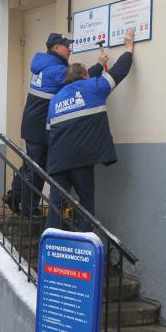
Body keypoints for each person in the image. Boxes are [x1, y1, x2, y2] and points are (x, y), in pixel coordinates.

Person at [6, 33, 108, 216]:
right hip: (38, 127)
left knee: (32, 165)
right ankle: (29, 211)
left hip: (34, 124)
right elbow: (80, 81)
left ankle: (15, 195)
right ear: (55, 48)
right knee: (37, 169)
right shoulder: (55, 70)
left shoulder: (45, 64)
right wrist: (100, 65)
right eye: (66, 46)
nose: (69, 49)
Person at [45, 28, 135, 231]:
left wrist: (100, 64)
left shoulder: (56, 99)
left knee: (56, 206)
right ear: (85, 75)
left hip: (57, 160)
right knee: (85, 205)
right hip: (81, 159)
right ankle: (85, 244)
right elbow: (119, 71)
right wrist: (128, 47)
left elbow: (49, 132)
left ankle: (50, 246)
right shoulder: (94, 86)